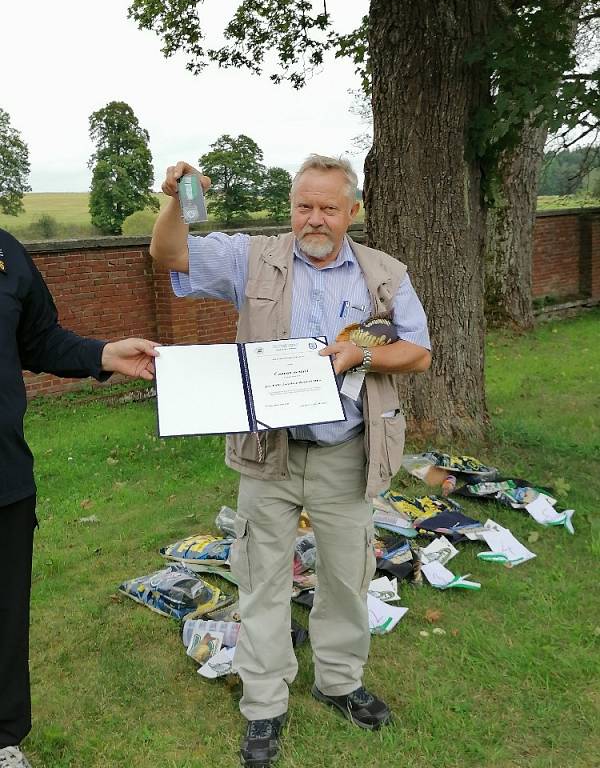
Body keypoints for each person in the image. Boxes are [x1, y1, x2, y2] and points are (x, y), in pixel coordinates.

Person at [150, 155, 431, 767]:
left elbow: (417, 350)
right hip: (267, 455)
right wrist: (173, 200)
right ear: (292, 207)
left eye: (329, 207)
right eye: (304, 205)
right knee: (261, 580)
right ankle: (263, 705)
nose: (315, 218)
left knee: (345, 580)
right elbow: (170, 256)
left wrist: (357, 354)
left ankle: (338, 682)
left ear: (352, 212)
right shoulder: (252, 257)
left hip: (345, 455)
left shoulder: (383, 273)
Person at [0, 227, 158, 768]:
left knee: (5, 618)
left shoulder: (6, 252)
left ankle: (3, 741)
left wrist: (105, 354)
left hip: (4, 478)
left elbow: (38, 339)